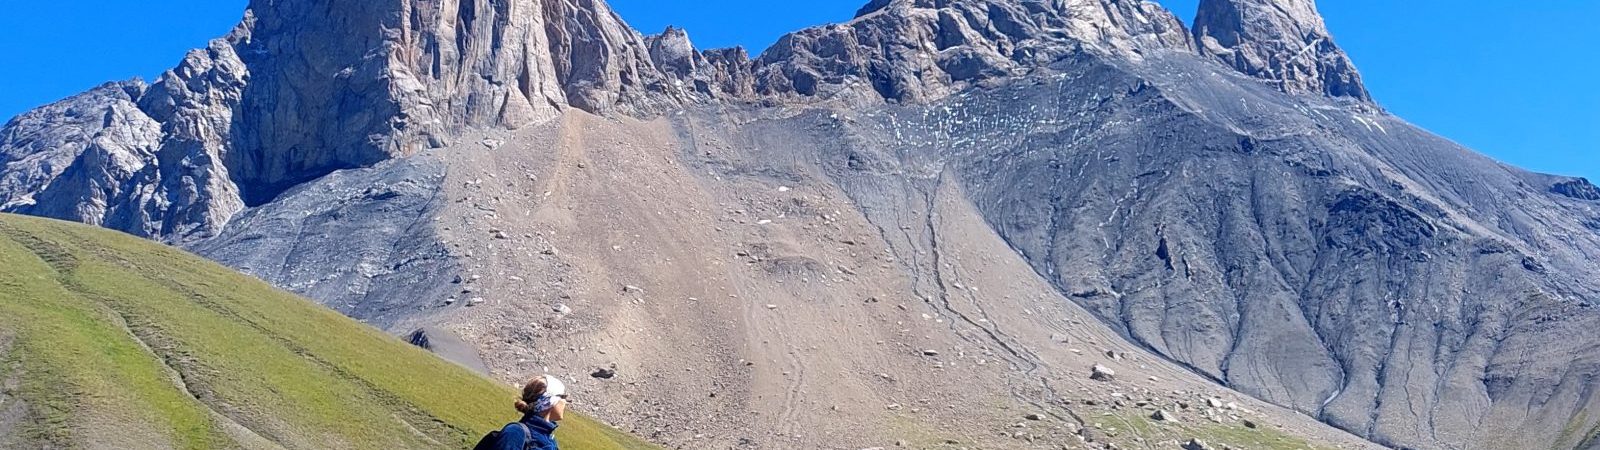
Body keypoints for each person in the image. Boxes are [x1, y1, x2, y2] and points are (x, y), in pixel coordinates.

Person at [494, 375, 568, 450]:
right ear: (549, 401)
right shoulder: (515, 433)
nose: (565, 401)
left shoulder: (550, 439)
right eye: (563, 397)